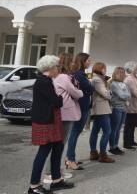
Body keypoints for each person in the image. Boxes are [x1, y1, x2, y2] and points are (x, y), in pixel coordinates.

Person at [28, 55, 74, 194]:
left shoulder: (47, 80)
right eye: (57, 66)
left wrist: (58, 98)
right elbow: (57, 102)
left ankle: (57, 181)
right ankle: (34, 186)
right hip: (46, 121)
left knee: (57, 149)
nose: (58, 69)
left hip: (52, 120)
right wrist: (60, 97)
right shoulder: (43, 81)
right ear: (50, 68)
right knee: (43, 152)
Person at [46, 53, 83, 181]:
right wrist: (81, 91)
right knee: (59, 144)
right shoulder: (64, 77)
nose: (75, 64)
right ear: (68, 63)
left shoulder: (60, 76)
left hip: (62, 112)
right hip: (65, 113)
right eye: (72, 61)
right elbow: (76, 93)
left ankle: (55, 170)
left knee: (58, 144)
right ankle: (51, 172)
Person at [65, 53, 93, 171]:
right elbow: (90, 89)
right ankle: (70, 159)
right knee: (75, 132)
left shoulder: (81, 73)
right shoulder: (79, 74)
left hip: (83, 105)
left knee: (76, 132)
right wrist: (90, 88)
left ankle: (70, 157)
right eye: (88, 61)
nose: (90, 62)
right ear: (82, 61)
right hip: (80, 106)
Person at [89, 62, 114, 163]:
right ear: (100, 69)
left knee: (95, 130)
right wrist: (110, 92)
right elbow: (106, 94)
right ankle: (103, 155)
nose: (105, 70)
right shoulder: (98, 79)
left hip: (98, 108)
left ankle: (94, 152)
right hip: (101, 108)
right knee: (107, 131)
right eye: (104, 68)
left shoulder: (96, 78)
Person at [123, 61, 137, 150]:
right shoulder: (129, 79)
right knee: (129, 124)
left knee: (133, 124)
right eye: (136, 68)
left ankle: (131, 140)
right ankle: (127, 143)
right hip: (132, 104)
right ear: (131, 68)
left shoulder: (135, 77)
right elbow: (134, 91)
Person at [108, 67, 130, 155]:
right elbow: (121, 95)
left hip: (124, 108)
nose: (123, 74)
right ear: (117, 73)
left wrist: (125, 95)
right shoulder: (113, 84)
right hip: (116, 108)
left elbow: (129, 95)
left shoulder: (124, 84)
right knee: (114, 128)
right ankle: (112, 146)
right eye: (121, 73)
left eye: (123, 72)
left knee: (119, 128)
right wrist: (125, 95)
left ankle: (116, 145)